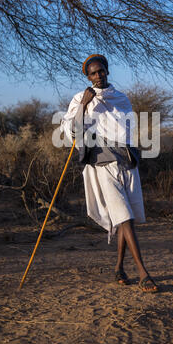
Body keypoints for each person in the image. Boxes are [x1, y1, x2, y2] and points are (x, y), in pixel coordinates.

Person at [60, 54, 158, 293]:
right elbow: (71, 130)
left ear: (107, 71)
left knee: (127, 217)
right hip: (102, 164)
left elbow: (125, 131)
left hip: (126, 161)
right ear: (88, 77)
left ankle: (118, 269)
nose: (98, 76)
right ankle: (143, 273)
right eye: (93, 74)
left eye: (101, 71)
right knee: (123, 217)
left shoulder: (121, 99)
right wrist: (84, 104)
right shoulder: (80, 99)